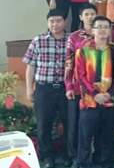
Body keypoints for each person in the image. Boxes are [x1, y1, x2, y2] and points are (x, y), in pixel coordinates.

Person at [23, 9, 70, 168]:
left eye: (58, 21)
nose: (55, 24)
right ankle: (47, 157)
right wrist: (30, 89)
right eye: (51, 21)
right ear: (47, 23)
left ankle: (67, 155)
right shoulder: (38, 41)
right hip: (44, 89)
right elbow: (31, 67)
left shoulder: (72, 40)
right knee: (43, 125)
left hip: (66, 89)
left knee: (69, 124)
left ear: (64, 22)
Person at [74, 16, 114, 168]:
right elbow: (80, 76)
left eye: (106, 27)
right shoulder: (83, 50)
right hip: (89, 101)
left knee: (107, 135)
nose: (103, 30)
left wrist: (109, 94)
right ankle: (83, 163)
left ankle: (105, 162)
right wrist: (95, 94)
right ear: (92, 30)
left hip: (109, 101)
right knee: (85, 136)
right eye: (99, 27)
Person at [64, 3, 97, 167]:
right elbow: (68, 62)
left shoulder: (103, 35)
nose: (90, 17)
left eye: (93, 14)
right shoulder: (74, 37)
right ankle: (75, 157)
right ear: (81, 17)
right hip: (78, 88)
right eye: (87, 14)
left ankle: (93, 156)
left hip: (98, 89)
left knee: (95, 125)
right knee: (75, 125)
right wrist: (69, 86)